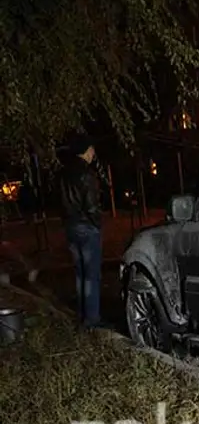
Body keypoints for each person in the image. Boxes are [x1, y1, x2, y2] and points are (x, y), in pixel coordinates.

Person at [57, 134, 108, 329]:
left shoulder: (63, 174)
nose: (93, 153)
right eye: (92, 149)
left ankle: (82, 314)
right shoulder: (86, 174)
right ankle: (92, 320)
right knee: (91, 274)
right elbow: (91, 205)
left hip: (70, 226)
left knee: (79, 273)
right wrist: (97, 224)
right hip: (86, 226)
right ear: (86, 151)